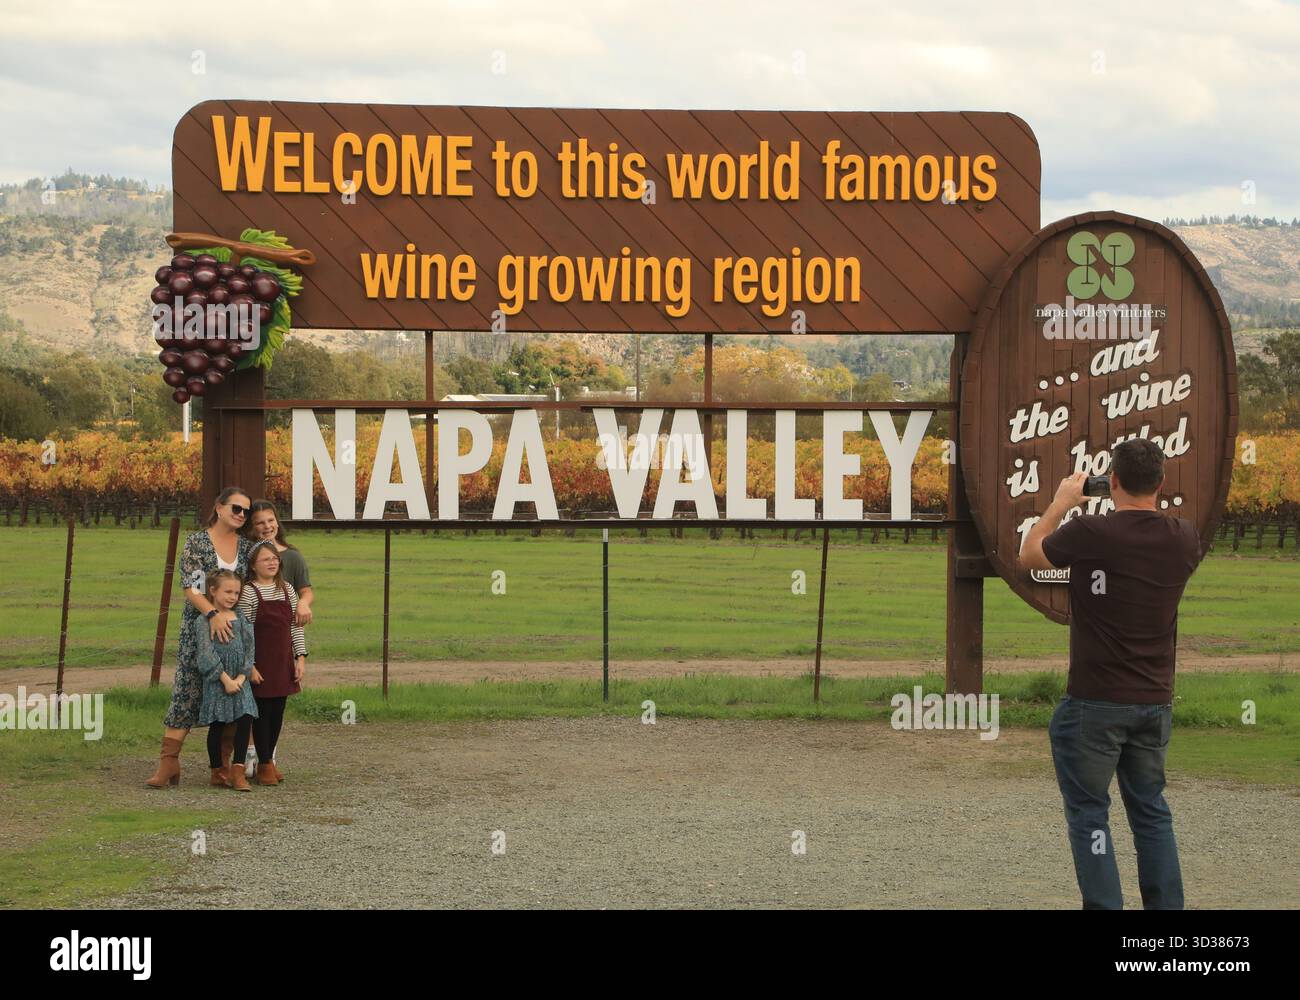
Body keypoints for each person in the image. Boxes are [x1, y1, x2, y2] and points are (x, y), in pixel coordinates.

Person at [1019, 438, 1202, 910]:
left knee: (1090, 816)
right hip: (1153, 700)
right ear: (1161, 483)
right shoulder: (1184, 537)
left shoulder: (1092, 533)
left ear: (1111, 480)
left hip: (1094, 700)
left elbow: (1031, 555)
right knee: (1151, 813)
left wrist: (1061, 503)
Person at [146, 486, 254, 788]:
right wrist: (212, 614)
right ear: (218, 508)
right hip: (200, 629)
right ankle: (168, 764)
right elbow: (192, 588)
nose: (241, 515)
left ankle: (221, 768)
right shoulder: (197, 543)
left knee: (230, 697)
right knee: (187, 690)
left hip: (233, 633)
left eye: (245, 511)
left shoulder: (246, 547)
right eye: (236, 508)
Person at [242, 500, 314, 776]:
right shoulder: (249, 567)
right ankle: (250, 759)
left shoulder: (291, 564)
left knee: (276, 707)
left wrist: (301, 655)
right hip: (257, 650)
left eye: (270, 521)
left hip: (283, 645)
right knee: (255, 707)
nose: (266, 526)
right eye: (259, 522)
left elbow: (303, 596)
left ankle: (267, 760)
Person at [193, 570, 258, 792]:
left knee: (246, 718)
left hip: (240, 679)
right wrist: (224, 679)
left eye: (237, 592)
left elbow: (250, 649)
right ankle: (218, 771)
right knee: (218, 725)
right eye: (228, 591)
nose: (233, 596)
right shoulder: (203, 621)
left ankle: (238, 771)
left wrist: (242, 676)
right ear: (212, 591)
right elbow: (205, 653)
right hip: (218, 679)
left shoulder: (242, 618)